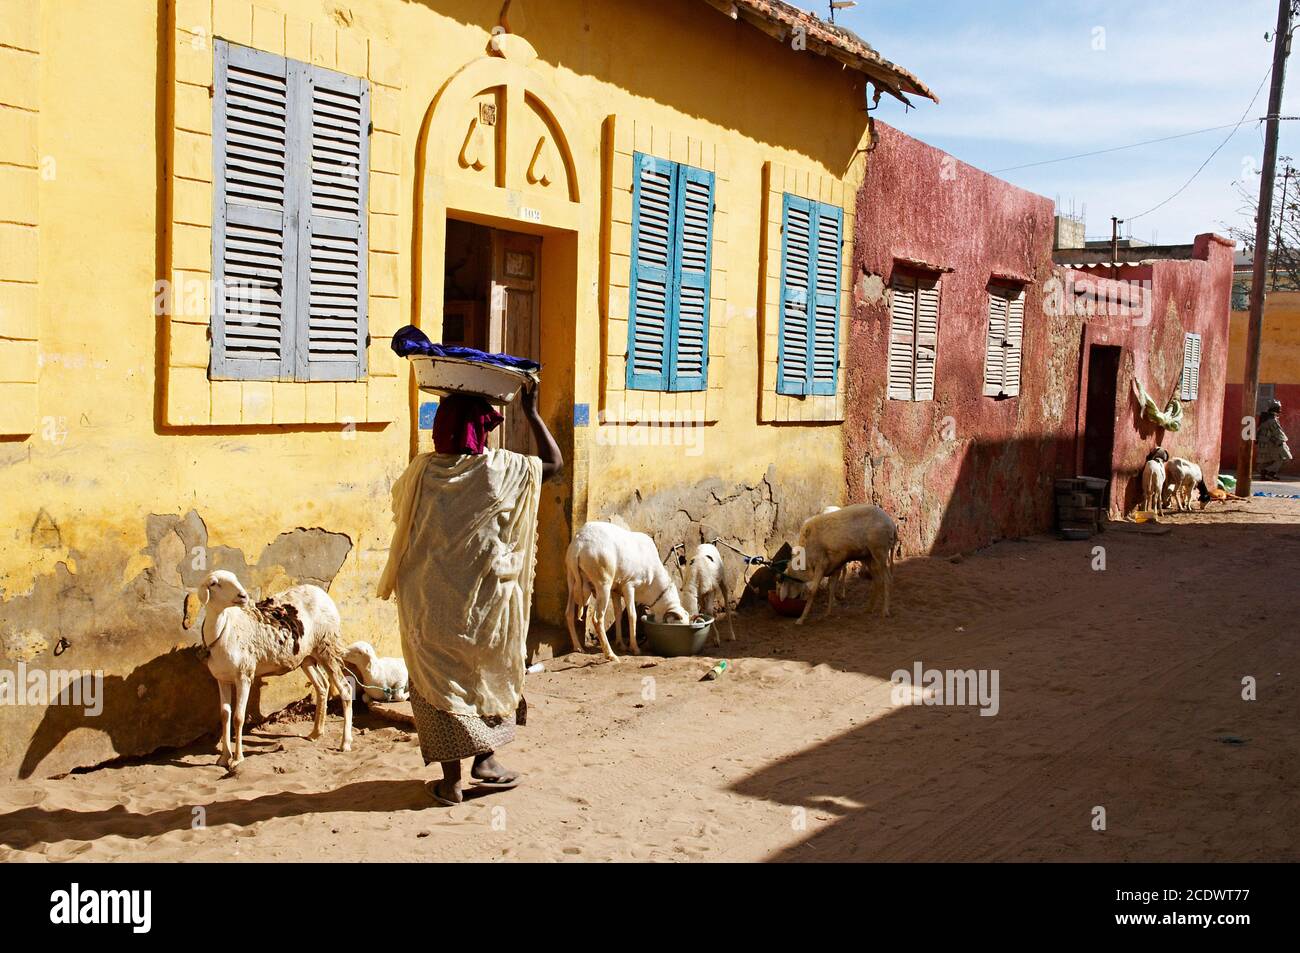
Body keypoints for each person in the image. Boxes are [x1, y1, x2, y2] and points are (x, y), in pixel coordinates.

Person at [377, 380, 562, 806]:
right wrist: (532, 412)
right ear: (479, 432)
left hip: (427, 604)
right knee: (478, 675)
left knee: (437, 686)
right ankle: (485, 760)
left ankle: (454, 780)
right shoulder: (497, 471)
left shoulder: (420, 472)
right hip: (480, 609)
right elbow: (554, 462)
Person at [1257, 399, 1292, 481]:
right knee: (1283, 458)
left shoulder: (1265, 418)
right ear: (1274, 408)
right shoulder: (1272, 420)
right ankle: (1268, 472)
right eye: (1279, 408)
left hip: (1266, 443)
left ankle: (1267, 474)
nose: (1280, 409)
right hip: (1273, 443)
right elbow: (1277, 432)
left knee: (1269, 460)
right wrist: (1281, 442)